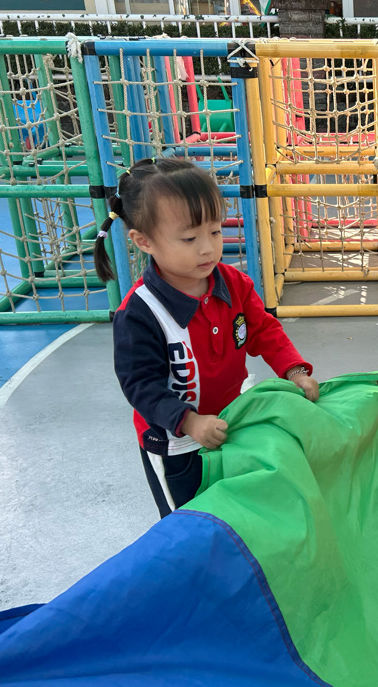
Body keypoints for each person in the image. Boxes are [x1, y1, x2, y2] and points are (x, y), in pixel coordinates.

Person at [93, 158, 319, 518]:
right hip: (175, 446)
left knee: (235, 513)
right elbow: (141, 385)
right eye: (189, 238)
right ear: (143, 240)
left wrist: (293, 369)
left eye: (214, 232)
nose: (207, 249)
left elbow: (263, 329)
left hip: (230, 427)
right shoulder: (139, 312)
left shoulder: (233, 283)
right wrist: (188, 421)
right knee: (189, 523)